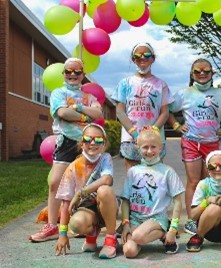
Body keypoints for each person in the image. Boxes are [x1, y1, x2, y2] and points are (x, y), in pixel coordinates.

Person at [29, 58, 103, 242]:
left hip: (87, 144)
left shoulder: (88, 97)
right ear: (64, 74)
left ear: (83, 75)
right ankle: (52, 226)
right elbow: (62, 113)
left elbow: (99, 114)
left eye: (77, 72)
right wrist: (86, 116)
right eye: (69, 71)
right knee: (55, 183)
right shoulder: (58, 93)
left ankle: (91, 223)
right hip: (66, 143)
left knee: (87, 187)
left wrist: (77, 109)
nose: (73, 75)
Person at [168, 58, 221, 235]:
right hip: (191, 142)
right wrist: (176, 126)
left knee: (209, 182)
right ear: (192, 74)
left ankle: (207, 216)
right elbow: (167, 110)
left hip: (212, 143)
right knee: (193, 181)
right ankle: (192, 219)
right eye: (197, 71)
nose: (202, 74)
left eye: (206, 71)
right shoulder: (184, 93)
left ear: (212, 74)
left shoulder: (220, 95)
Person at [55, 123, 119, 259]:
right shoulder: (73, 167)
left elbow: (107, 179)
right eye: (88, 139)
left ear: (104, 144)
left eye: (98, 140)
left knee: (104, 190)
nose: (93, 143)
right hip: (87, 209)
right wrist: (62, 234)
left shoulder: (105, 158)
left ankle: (110, 238)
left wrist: (80, 193)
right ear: (81, 143)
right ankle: (92, 235)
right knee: (77, 224)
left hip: (106, 207)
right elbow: (65, 202)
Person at [120, 127, 185, 258]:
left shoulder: (167, 171)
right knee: (129, 251)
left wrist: (173, 229)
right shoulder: (133, 171)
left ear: (160, 148)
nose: (149, 151)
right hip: (135, 219)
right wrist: (125, 224)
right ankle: (149, 236)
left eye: (153, 147)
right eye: (145, 147)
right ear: (138, 148)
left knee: (138, 236)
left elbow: (178, 202)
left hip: (156, 218)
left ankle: (164, 232)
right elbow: (125, 200)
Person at [111, 42, 173, 173]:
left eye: (147, 55)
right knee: (133, 179)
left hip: (155, 138)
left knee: (156, 177)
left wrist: (153, 130)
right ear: (133, 59)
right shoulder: (124, 83)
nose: (142, 58)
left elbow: (165, 113)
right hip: (130, 139)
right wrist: (134, 133)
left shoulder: (161, 84)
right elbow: (120, 111)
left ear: (153, 58)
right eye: (138, 56)